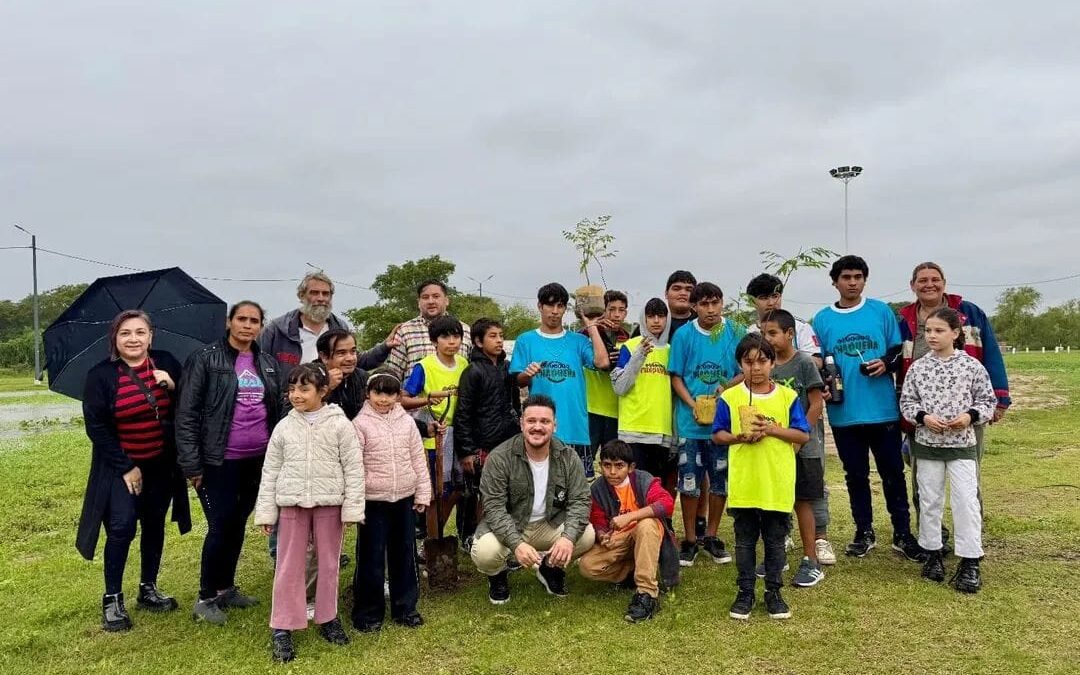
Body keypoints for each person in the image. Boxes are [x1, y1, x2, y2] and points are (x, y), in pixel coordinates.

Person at [77, 310, 190, 632]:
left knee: (154, 525)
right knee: (122, 527)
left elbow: (187, 406)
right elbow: (96, 427)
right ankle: (112, 599)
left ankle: (148, 589)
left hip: (161, 464)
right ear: (115, 338)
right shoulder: (101, 375)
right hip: (120, 467)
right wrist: (127, 467)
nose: (133, 339)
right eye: (125, 333)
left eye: (140, 332)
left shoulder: (166, 362)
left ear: (151, 336)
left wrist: (173, 385)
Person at [176, 300, 283, 625]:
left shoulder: (267, 363)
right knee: (221, 525)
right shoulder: (206, 359)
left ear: (261, 326)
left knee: (237, 524)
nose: (247, 325)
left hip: (256, 460)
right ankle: (206, 598)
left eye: (254, 320)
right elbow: (186, 413)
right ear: (229, 322)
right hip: (217, 460)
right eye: (242, 319)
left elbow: (276, 408)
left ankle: (226, 588)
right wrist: (192, 465)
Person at [812, 256, 924, 561]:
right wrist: (821, 380)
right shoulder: (822, 319)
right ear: (834, 282)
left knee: (893, 473)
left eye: (858, 276)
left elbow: (898, 350)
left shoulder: (881, 312)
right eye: (846, 277)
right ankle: (864, 532)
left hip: (882, 410)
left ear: (865, 280)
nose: (852, 282)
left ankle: (902, 533)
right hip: (844, 411)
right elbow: (818, 360)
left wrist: (884, 363)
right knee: (855, 475)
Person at [254, 364, 365, 662]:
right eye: (291, 389)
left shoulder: (340, 424)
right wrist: (266, 512)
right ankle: (282, 626)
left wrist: (353, 508)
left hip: (330, 504)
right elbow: (271, 470)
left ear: (322, 391)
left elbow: (353, 467)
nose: (296, 395)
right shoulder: (284, 426)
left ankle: (328, 617)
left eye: (304, 389)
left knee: (328, 563)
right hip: (291, 504)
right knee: (289, 565)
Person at [897, 262, 1010, 536]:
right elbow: (896, 359)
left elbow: (992, 354)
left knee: (968, 477)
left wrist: (999, 398)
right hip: (924, 416)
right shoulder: (905, 321)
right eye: (922, 280)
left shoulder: (969, 314)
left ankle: (971, 535)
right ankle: (933, 537)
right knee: (922, 479)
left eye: (935, 279)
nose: (929, 284)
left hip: (966, 413)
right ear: (913, 285)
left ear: (944, 283)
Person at [712, 334, 810, 621]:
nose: (756, 368)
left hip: (776, 482)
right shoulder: (730, 398)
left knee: (775, 541)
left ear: (773, 362)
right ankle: (744, 593)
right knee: (743, 541)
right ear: (740, 364)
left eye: (762, 361)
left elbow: (802, 434)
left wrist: (770, 429)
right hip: (745, 482)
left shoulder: (787, 396)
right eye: (748, 362)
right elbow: (717, 434)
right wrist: (738, 437)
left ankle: (774, 592)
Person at [899, 308, 996, 594]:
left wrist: (969, 416)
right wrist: (922, 417)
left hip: (962, 445)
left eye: (939, 330)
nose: (932, 336)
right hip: (927, 445)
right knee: (929, 499)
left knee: (966, 500)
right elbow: (907, 401)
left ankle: (969, 560)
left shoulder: (972, 366)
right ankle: (932, 553)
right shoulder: (918, 367)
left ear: (955, 333)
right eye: (928, 330)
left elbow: (986, 400)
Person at [470, 395, 596, 605]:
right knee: (485, 552)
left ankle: (549, 567)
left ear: (554, 425)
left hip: (550, 523)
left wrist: (567, 539)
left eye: (544, 421)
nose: (537, 427)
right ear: (522, 424)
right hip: (511, 524)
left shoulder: (568, 456)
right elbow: (493, 508)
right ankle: (498, 576)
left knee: (586, 535)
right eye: (531, 421)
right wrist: (517, 544)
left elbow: (581, 501)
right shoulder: (500, 457)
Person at [669, 282, 746, 566]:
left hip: (723, 424)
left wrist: (725, 388)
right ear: (694, 307)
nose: (711, 310)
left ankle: (711, 535)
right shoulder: (684, 335)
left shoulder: (736, 332)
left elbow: (744, 370)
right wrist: (693, 404)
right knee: (689, 483)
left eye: (715, 303)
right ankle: (690, 539)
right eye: (704, 304)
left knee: (719, 482)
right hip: (690, 425)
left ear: (722, 302)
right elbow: (675, 376)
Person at [351, 372, 432, 632]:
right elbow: (353, 467)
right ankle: (368, 614)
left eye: (390, 393)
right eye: (378, 393)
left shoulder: (407, 423)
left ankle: (405, 608)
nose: (384, 399)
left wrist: (422, 493)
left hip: (404, 499)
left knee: (404, 555)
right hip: (372, 502)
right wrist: (355, 503)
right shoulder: (360, 424)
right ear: (368, 394)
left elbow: (418, 460)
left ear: (398, 396)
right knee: (371, 558)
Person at [759, 310, 833, 581]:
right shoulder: (766, 366)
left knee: (803, 501)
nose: (767, 339)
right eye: (763, 333)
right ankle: (776, 556)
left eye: (773, 333)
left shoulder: (803, 363)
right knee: (775, 502)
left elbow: (815, 403)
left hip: (804, 447)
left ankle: (810, 559)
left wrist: (800, 437)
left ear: (790, 334)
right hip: (774, 447)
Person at [509, 283, 610, 477]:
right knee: (540, 488)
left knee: (576, 490)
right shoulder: (526, 340)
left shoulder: (578, 341)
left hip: (576, 429)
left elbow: (603, 362)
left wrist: (591, 326)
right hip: (541, 430)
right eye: (550, 305)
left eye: (560, 306)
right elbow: (518, 380)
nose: (555, 312)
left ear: (566, 309)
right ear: (540, 306)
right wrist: (527, 374)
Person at [578, 440, 678, 623]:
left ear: (631, 467)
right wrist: (603, 536)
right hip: (621, 539)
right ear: (600, 466)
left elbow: (666, 503)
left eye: (619, 466)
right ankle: (633, 572)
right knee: (587, 566)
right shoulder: (598, 488)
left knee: (647, 524)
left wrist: (630, 517)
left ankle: (647, 594)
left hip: (647, 533)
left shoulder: (643, 479)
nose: (613, 472)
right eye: (607, 466)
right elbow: (598, 521)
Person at [453, 318, 522, 546]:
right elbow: (463, 414)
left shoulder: (507, 368)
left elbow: (515, 405)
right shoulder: (473, 372)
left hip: (509, 441)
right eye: (493, 336)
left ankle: (504, 539)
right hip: (481, 445)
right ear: (478, 341)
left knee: (507, 493)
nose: (499, 340)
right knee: (476, 494)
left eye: (501, 335)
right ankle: (469, 537)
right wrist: (466, 451)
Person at [259, 271, 395, 379]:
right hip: (288, 405)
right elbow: (258, 367)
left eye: (326, 294)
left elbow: (355, 362)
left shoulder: (339, 328)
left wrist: (384, 347)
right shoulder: (277, 329)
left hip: (330, 404)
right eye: (314, 293)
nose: (321, 298)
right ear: (301, 296)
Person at [611, 298, 675, 492]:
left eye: (661, 316)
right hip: (633, 431)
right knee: (633, 487)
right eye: (650, 316)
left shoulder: (671, 351)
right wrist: (638, 356)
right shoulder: (630, 347)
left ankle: (658, 523)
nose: (656, 321)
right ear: (643, 319)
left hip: (662, 433)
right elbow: (620, 387)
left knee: (657, 487)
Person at [384, 280, 471, 381]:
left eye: (436, 296)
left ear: (446, 300)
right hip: (416, 396)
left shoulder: (465, 330)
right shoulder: (405, 331)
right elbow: (393, 374)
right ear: (418, 302)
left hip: (457, 395)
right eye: (425, 297)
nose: (431, 301)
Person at [583, 290, 630, 462]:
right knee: (584, 463)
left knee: (613, 464)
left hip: (617, 412)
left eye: (621, 309)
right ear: (603, 310)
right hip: (590, 410)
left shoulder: (628, 339)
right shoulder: (586, 335)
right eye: (611, 309)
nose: (616, 315)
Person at [745, 273, 822, 366]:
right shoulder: (749, 332)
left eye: (775, 296)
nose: (771, 303)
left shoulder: (800, 327)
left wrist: (787, 354)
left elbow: (818, 362)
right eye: (764, 298)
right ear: (752, 302)